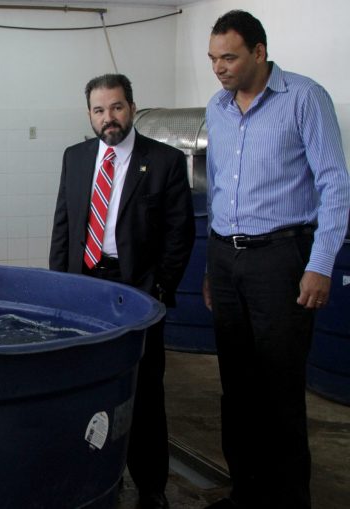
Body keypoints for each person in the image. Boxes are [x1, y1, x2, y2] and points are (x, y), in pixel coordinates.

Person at [202, 10, 350, 509]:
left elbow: (335, 184)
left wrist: (321, 262)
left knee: (279, 389)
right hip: (226, 259)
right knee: (237, 388)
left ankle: (288, 501)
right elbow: (220, 187)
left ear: (259, 53)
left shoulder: (304, 98)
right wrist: (210, 264)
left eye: (229, 57)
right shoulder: (217, 109)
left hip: (280, 260)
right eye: (213, 58)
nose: (219, 68)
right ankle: (246, 492)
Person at [50, 74, 195, 509]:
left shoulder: (165, 161)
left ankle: (152, 489)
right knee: (83, 383)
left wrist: (157, 290)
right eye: (99, 110)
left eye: (116, 107)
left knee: (146, 390)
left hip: (137, 292)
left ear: (131, 107)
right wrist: (60, 287)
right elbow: (64, 225)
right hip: (84, 286)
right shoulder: (75, 158)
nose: (108, 118)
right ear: (89, 115)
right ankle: (90, 475)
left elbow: (179, 235)